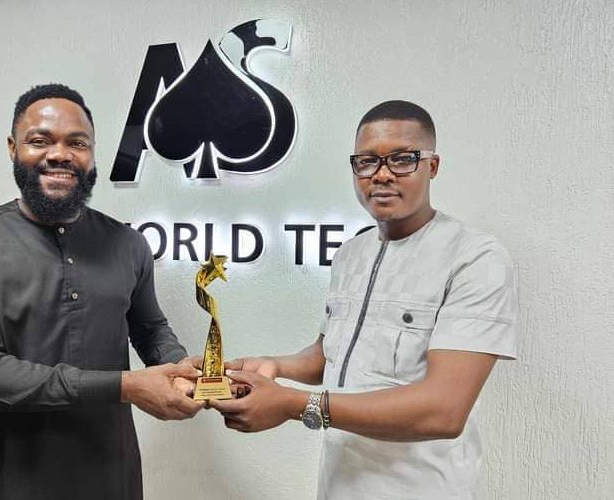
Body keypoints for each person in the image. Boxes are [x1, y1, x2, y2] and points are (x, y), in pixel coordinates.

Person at [210, 100, 518, 499]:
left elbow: (445, 409)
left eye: (402, 159)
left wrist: (292, 404)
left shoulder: (475, 258)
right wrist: (273, 366)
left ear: (432, 166)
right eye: (368, 161)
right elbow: (329, 356)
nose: (382, 174)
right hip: (338, 485)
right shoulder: (350, 254)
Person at [0, 83, 203, 500]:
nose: (60, 154)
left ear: (92, 154)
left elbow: (150, 328)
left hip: (113, 477)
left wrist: (180, 368)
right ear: (13, 148)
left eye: (77, 142)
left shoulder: (128, 244)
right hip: (8, 483)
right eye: (40, 141)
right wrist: (126, 385)